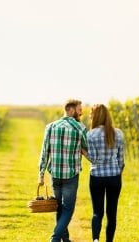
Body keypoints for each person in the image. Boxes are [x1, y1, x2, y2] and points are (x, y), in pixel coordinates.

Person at [38, 99, 89, 242]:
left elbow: (44, 152)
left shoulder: (51, 127)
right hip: (71, 175)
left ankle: (65, 240)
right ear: (71, 110)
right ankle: (55, 239)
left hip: (54, 174)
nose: (81, 112)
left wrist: (41, 175)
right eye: (80, 109)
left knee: (59, 207)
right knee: (68, 209)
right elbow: (87, 150)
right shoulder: (80, 128)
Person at [85, 104, 125, 242]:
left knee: (97, 212)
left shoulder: (90, 135)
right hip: (114, 176)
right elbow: (121, 160)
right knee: (111, 214)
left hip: (97, 176)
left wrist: (83, 152)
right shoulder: (118, 133)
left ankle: (95, 239)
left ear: (95, 116)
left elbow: (94, 159)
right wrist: (117, 174)